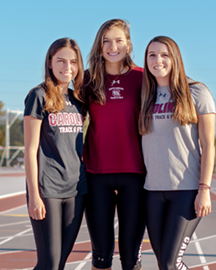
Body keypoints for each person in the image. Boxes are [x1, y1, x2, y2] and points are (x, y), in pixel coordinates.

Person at [139, 36, 215, 270]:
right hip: (153, 190)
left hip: (186, 189)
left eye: (164, 55)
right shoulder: (145, 95)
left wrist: (204, 189)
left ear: (175, 59)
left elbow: (209, 144)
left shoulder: (196, 92)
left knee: (170, 263)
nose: (157, 60)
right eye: (152, 55)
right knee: (165, 263)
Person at [82, 19, 146, 270]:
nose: (112, 46)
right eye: (106, 41)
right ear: (99, 46)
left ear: (128, 44)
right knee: (101, 255)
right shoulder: (88, 80)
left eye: (119, 40)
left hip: (135, 174)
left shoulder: (143, 78)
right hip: (96, 174)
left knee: (131, 257)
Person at [23, 38, 87, 270]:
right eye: (60, 61)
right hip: (47, 189)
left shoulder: (79, 100)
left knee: (59, 262)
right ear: (50, 62)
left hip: (76, 189)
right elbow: (30, 149)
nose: (67, 67)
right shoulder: (38, 96)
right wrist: (34, 195)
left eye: (73, 62)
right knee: (49, 263)